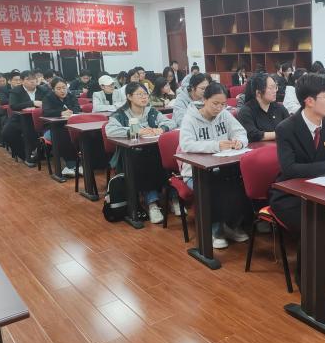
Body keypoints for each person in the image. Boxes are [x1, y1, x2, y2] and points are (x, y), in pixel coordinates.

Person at [269, 73, 325, 288]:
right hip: (290, 194)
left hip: (322, 188)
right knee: (315, 223)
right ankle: (306, 278)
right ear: (309, 101)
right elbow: (289, 169)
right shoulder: (286, 128)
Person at [179, 82, 251, 249]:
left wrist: (239, 142)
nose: (219, 108)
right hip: (195, 173)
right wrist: (216, 145)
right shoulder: (190, 118)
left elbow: (241, 132)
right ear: (204, 100)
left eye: (223, 104)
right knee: (215, 188)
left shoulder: (224, 115)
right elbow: (187, 144)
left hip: (223, 168)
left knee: (241, 186)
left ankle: (231, 225)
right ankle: (215, 230)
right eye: (215, 103)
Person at [105, 82, 176, 224]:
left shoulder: (151, 111)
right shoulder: (120, 114)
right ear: (129, 96)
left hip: (153, 152)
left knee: (165, 158)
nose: (144, 97)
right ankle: (152, 203)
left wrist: (161, 129)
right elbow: (110, 130)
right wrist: (136, 131)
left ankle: (174, 198)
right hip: (129, 157)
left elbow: (171, 123)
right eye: (139, 94)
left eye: (145, 94)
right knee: (146, 161)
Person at [1, 70, 47, 165]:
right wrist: (32, 103)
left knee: (31, 133)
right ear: (22, 81)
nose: (32, 81)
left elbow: (49, 102)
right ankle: (24, 155)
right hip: (19, 119)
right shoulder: (16, 91)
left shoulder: (43, 89)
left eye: (34, 78)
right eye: (28, 79)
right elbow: (13, 106)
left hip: (40, 118)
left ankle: (37, 154)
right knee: (6, 133)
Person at [42, 77, 82, 177]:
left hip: (69, 126)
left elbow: (77, 108)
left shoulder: (70, 96)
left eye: (64, 88)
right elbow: (46, 112)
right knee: (64, 135)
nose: (62, 91)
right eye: (58, 88)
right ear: (53, 89)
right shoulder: (48, 98)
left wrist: (71, 112)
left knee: (83, 135)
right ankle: (71, 166)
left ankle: (79, 164)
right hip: (51, 130)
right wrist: (61, 113)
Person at [237, 73, 289, 142]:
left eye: (275, 87)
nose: (275, 91)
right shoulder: (246, 111)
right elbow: (252, 134)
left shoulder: (280, 108)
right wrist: (280, 134)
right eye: (271, 88)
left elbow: (290, 127)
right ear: (258, 93)